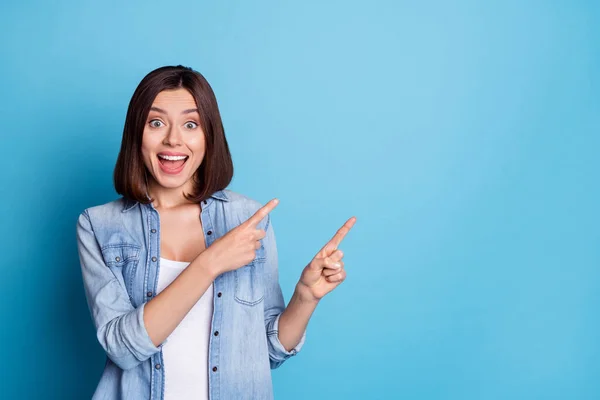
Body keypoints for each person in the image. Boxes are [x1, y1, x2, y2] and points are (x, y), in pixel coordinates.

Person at [75, 65, 356, 400]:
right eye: (156, 122)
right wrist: (210, 264)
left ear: (209, 135)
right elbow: (122, 348)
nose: (173, 139)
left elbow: (267, 351)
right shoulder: (98, 225)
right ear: (137, 133)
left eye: (190, 124)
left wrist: (306, 297)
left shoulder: (248, 219)